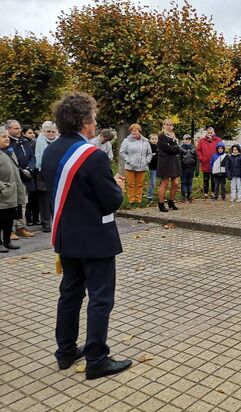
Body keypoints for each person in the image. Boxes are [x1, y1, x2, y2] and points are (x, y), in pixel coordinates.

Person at [41, 92, 131, 379]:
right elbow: (111, 201)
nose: (95, 123)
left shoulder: (51, 150)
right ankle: (96, 359)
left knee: (69, 294)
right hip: (95, 238)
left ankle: (65, 351)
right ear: (84, 122)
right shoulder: (92, 157)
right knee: (100, 298)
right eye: (92, 118)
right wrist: (117, 186)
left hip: (67, 237)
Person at [6, 119, 35, 238]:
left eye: (19, 128)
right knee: (12, 204)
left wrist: (29, 169)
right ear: (8, 129)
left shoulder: (24, 141)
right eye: (16, 128)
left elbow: (32, 157)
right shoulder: (7, 143)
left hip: (25, 177)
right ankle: (10, 230)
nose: (19, 130)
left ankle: (20, 227)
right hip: (12, 178)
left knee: (23, 203)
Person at [0, 127, 26, 252]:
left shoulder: (9, 152)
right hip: (3, 194)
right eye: (3, 136)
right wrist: (2, 187)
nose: (7, 139)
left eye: (7, 137)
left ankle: (7, 241)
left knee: (8, 219)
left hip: (11, 194)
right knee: (1, 219)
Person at [119, 124, 153, 207]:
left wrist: (147, 160)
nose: (134, 132)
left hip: (142, 166)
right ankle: (131, 200)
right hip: (130, 166)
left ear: (139, 131)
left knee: (139, 184)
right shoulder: (126, 141)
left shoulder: (145, 141)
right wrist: (128, 160)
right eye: (132, 130)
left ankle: (138, 199)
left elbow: (149, 153)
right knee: (131, 184)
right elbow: (122, 152)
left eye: (136, 130)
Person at [34, 121, 59, 233]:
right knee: (44, 201)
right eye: (48, 131)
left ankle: (56, 222)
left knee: (55, 200)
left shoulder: (59, 142)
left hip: (56, 173)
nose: (51, 133)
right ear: (43, 132)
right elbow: (35, 158)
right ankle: (45, 224)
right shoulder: (37, 142)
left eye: (53, 131)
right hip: (41, 173)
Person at [156, 119, 181, 212]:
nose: (169, 126)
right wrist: (173, 147)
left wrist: (173, 147)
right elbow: (167, 149)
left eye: (171, 125)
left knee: (175, 183)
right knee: (165, 183)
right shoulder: (161, 136)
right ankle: (161, 204)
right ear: (164, 126)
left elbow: (177, 149)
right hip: (164, 161)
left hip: (174, 161)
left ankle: (171, 201)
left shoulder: (174, 137)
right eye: (167, 125)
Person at [196, 127, 221, 199]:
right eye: (208, 132)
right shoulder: (202, 141)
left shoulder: (218, 140)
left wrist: (218, 159)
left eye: (211, 132)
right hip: (205, 163)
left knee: (214, 179)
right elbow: (198, 150)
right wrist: (201, 158)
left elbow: (221, 149)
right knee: (206, 179)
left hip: (215, 163)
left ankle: (213, 192)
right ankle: (206, 193)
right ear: (206, 132)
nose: (209, 133)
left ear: (214, 132)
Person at [180, 134, 197, 203]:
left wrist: (196, 169)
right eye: (186, 139)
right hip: (183, 168)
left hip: (191, 168)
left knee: (190, 182)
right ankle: (184, 195)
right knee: (184, 182)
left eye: (189, 139)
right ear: (183, 140)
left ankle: (189, 195)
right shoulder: (181, 148)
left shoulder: (193, 148)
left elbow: (196, 159)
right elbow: (179, 159)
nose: (188, 140)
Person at [146, 133, 158, 203]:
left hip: (160, 167)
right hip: (152, 167)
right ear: (150, 140)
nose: (154, 140)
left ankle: (160, 195)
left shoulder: (159, 147)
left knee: (161, 182)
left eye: (156, 139)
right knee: (152, 182)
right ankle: (149, 196)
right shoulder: (149, 147)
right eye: (152, 139)